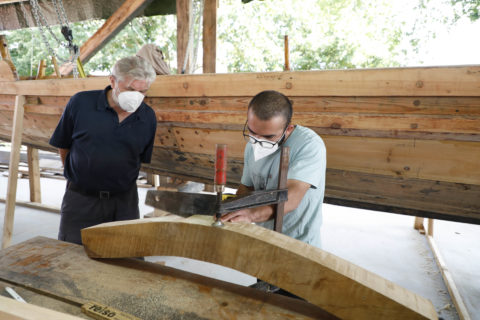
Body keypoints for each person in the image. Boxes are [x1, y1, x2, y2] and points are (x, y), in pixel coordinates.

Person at [49, 56, 157, 245]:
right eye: (130, 89)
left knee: (127, 262)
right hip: (81, 200)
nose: (136, 96)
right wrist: (79, 175)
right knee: (71, 259)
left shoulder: (147, 117)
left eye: (143, 91)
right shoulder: (81, 103)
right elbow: (63, 145)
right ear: (112, 81)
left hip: (124, 204)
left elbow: (138, 159)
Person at [220, 90, 326, 248]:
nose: (258, 141)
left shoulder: (309, 145)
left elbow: (292, 197)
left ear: (288, 129)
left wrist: (251, 215)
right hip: (263, 236)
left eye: (269, 137)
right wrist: (230, 208)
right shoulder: (252, 146)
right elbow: (246, 188)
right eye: (253, 132)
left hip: (299, 243)